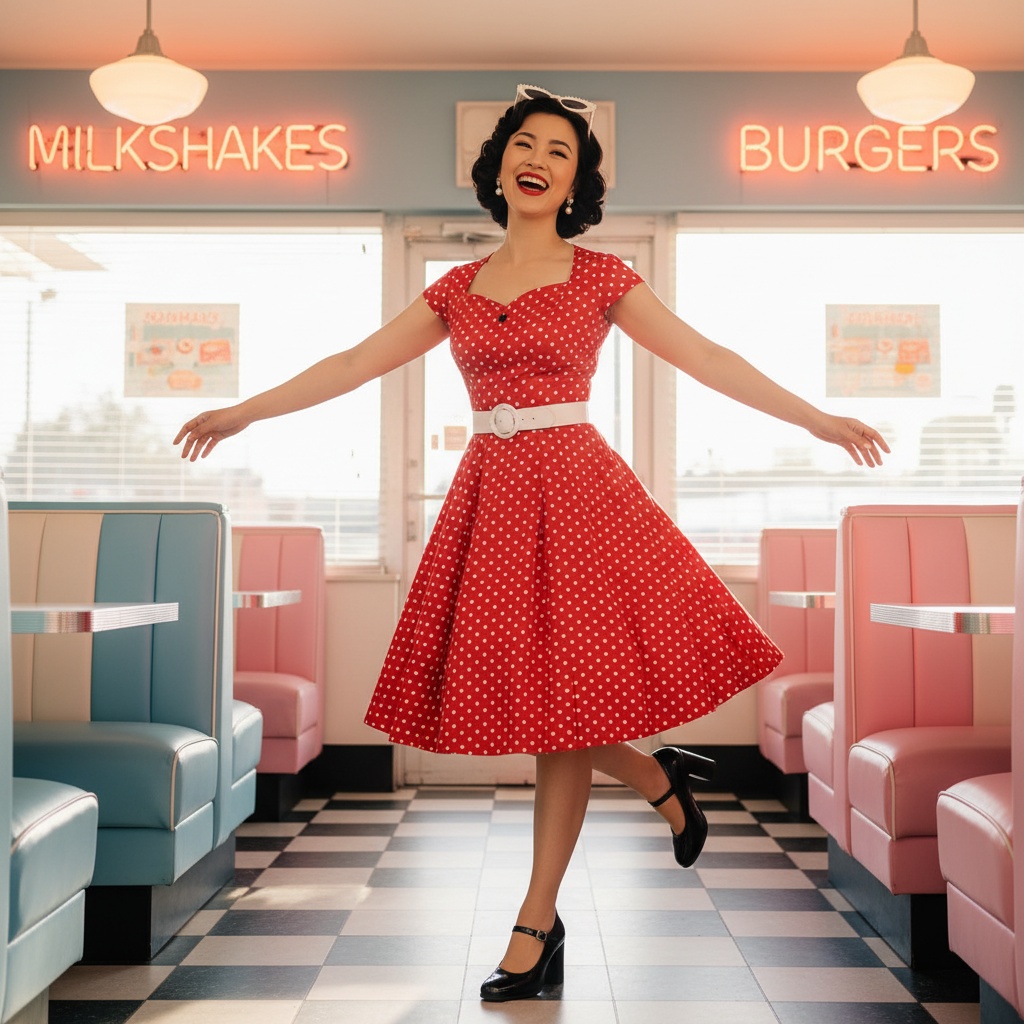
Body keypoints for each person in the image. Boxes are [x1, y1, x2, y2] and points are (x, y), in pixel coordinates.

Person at [174, 83, 889, 1003]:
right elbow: (352, 364)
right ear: (499, 165)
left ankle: (535, 922)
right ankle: (651, 771)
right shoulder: (456, 288)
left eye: (559, 148)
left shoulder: (601, 278)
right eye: (525, 141)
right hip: (493, 500)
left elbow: (707, 357)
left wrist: (818, 419)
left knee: (564, 706)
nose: (538, 157)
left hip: (582, 496)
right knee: (538, 700)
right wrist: (241, 413)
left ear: (578, 178)